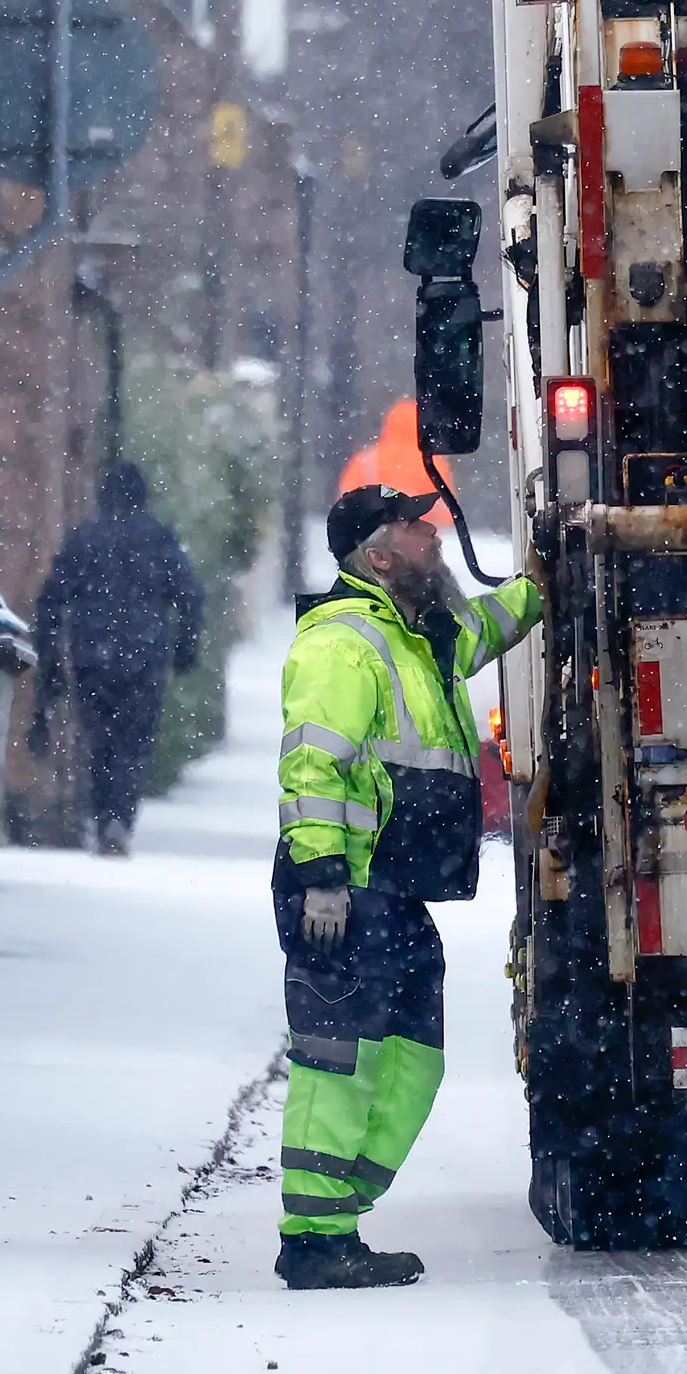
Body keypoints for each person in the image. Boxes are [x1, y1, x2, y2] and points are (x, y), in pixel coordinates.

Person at [271, 484, 542, 1290]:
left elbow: (490, 626)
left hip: (392, 892)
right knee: (338, 1062)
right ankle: (314, 1239)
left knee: (412, 1064)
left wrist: (546, 583)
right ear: (379, 556)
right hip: (344, 892)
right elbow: (312, 763)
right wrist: (321, 878)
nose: (434, 535)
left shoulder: (416, 637)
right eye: (416, 528)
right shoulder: (342, 643)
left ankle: (338, 1215)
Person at [33, 461, 205, 857]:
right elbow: (190, 595)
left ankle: (104, 818)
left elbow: (51, 602)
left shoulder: (83, 540)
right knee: (134, 743)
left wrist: (50, 662)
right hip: (144, 658)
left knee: (100, 742)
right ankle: (118, 819)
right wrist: (185, 647)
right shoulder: (159, 540)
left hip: (92, 656)